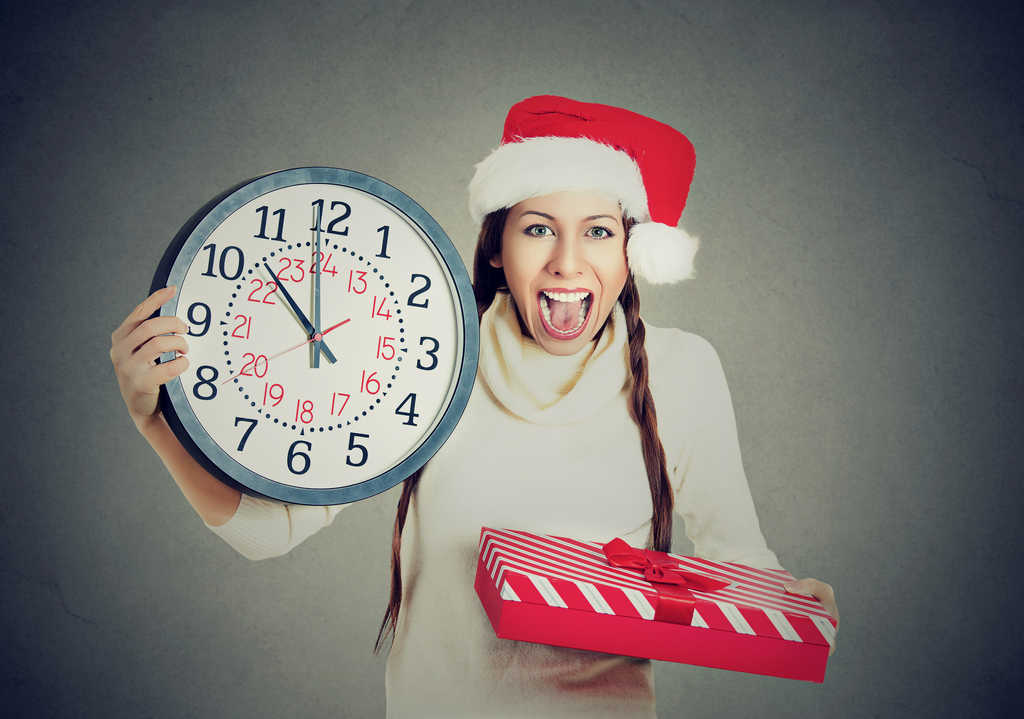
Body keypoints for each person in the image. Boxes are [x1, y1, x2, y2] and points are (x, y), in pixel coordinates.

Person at [110, 95, 839, 717]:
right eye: (537, 228)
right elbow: (268, 531)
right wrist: (156, 422)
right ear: (496, 249)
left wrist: (789, 603)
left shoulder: (682, 371)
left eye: (598, 231)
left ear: (630, 253)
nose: (566, 262)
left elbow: (735, 561)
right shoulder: (422, 359)